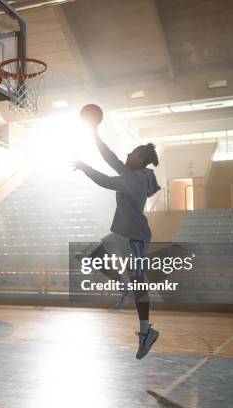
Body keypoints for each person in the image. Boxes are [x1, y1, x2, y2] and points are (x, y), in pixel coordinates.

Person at [72, 127, 161, 360]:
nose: (127, 156)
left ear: (140, 160)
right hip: (122, 233)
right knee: (94, 258)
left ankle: (146, 332)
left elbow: (105, 180)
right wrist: (93, 133)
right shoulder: (134, 173)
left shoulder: (135, 179)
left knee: (139, 283)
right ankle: (126, 287)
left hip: (135, 237)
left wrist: (85, 168)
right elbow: (110, 157)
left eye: (132, 154)